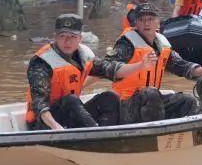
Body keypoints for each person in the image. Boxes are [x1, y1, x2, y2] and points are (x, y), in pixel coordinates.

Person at [25, 14, 154, 130]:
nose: (67, 41)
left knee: (110, 97)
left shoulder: (84, 56)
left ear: (80, 38)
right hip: (44, 122)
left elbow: (112, 70)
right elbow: (39, 103)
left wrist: (141, 65)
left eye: (72, 36)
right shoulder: (41, 62)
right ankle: (98, 135)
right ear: (55, 37)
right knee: (71, 100)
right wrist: (56, 128)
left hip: (71, 115)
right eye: (62, 36)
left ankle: (106, 135)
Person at [107, 3, 202, 122]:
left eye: (150, 19)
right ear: (136, 24)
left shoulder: (162, 45)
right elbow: (107, 67)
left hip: (150, 103)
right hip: (126, 105)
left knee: (187, 101)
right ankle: (155, 134)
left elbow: (181, 66)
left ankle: (180, 133)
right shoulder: (126, 44)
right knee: (151, 93)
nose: (146, 23)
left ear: (158, 23)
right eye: (141, 20)